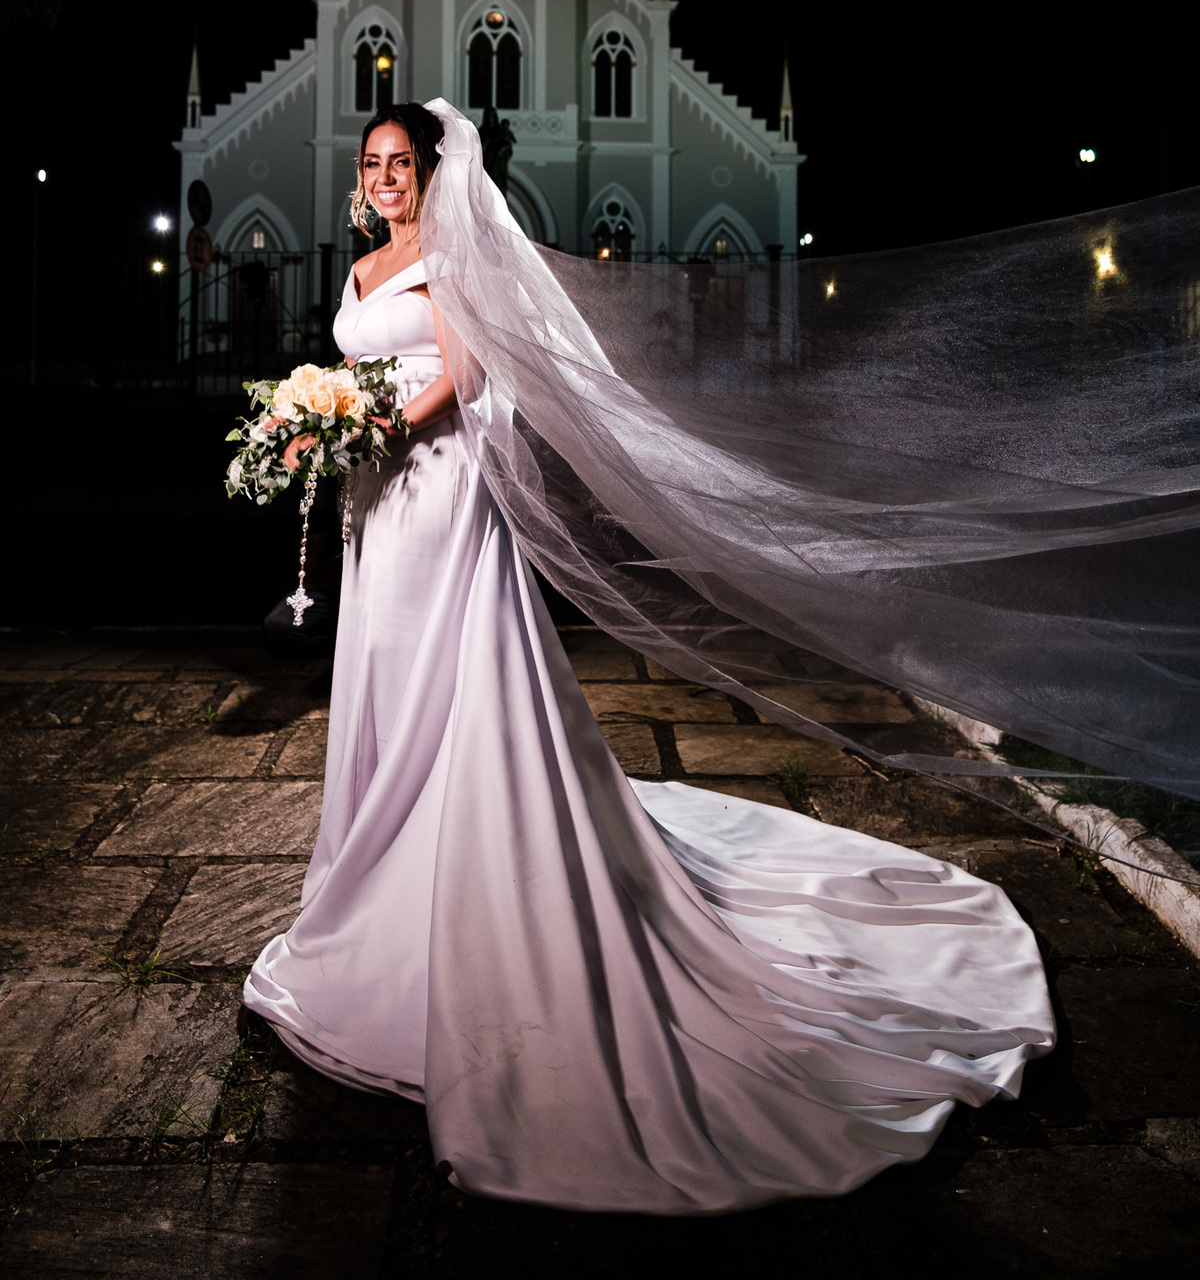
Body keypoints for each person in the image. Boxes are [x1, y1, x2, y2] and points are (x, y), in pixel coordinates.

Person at [244, 99, 1054, 1215]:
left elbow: (469, 377)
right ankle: (382, 849)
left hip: (436, 497)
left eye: (401, 164)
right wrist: (318, 417)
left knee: (448, 680)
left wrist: (372, 424)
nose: (385, 179)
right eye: (373, 165)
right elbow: (363, 365)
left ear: (434, 173)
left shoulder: (456, 253)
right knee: (383, 681)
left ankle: (455, 861)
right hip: (375, 508)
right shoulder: (369, 260)